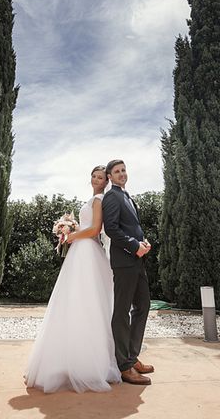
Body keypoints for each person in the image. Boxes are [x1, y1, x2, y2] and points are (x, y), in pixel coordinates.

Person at [24, 166, 121, 393]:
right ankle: (70, 360)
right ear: (90, 178)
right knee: (74, 301)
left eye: (101, 177)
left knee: (88, 303)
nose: (97, 180)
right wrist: (73, 231)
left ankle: (90, 363)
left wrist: (71, 235)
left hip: (87, 251)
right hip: (81, 251)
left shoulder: (100, 199)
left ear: (107, 181)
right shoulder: (92, 199)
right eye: (94, 177)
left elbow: (95, 230)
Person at [102, 159, 154, 386]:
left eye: (123, 170)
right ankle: (124, 365)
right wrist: (134, 246)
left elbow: (131, 227)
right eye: (117, 171)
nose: (122, 174)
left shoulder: (126, 195)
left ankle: (132, 357)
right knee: (122, 312)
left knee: (143, 305)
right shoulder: (112, 196)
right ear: (110, 177)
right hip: (124, 262)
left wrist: (143, 242)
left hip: (137, 260)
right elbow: (111, 228)